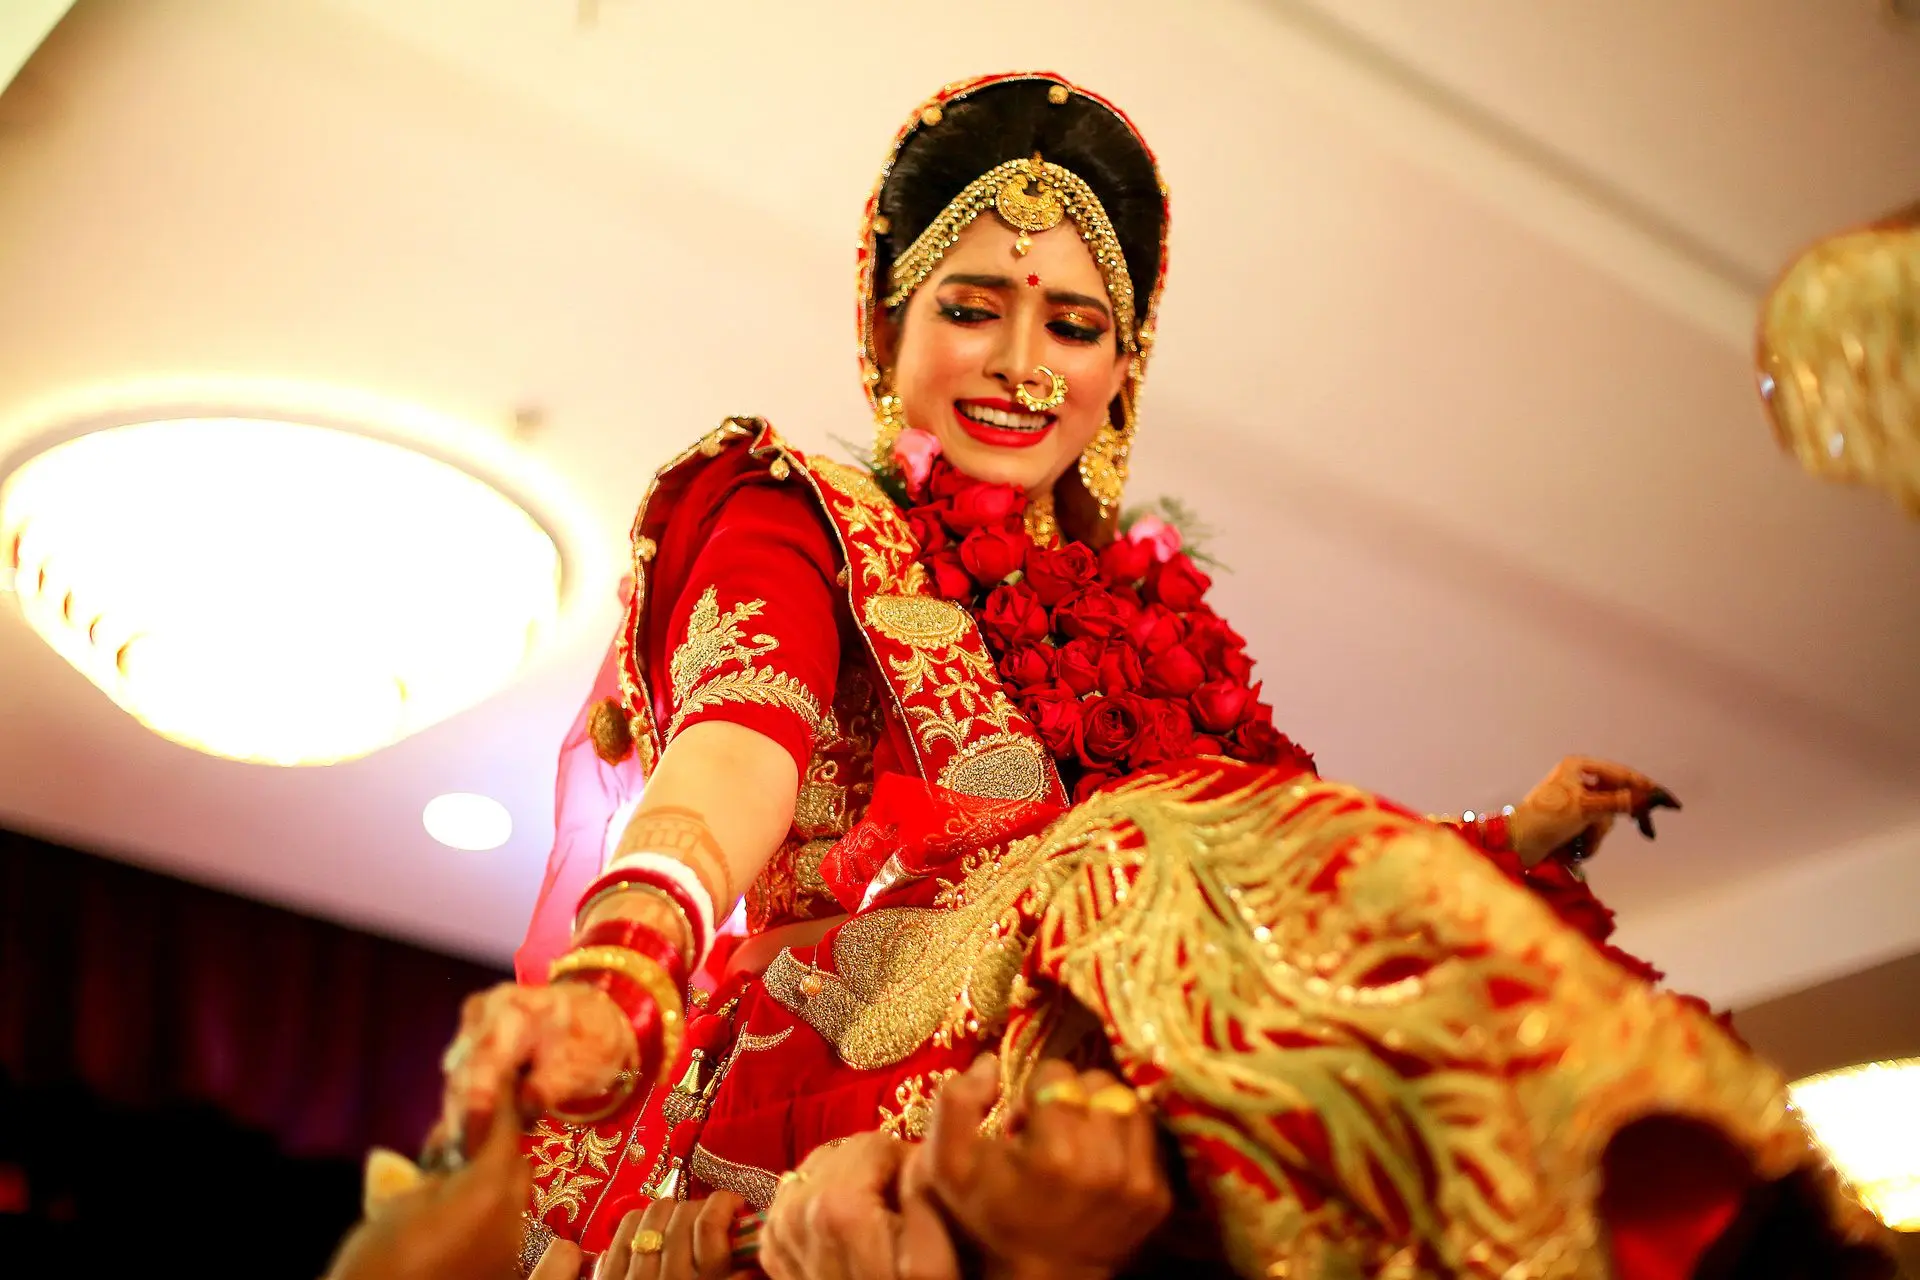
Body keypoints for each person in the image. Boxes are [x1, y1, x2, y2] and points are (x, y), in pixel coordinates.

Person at [440, 73, 1896, 1279]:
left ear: (1123, 370)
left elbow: (1282, 885)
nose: (1022, 363)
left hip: (1133, 1089)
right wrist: (626, 970)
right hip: (864, 1096)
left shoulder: (1163, 633)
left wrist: (1501, 845)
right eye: (972, 306)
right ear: (883, 326)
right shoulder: (798, 513)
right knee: (1139, 844)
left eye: (1073, 325)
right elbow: (734, 751)